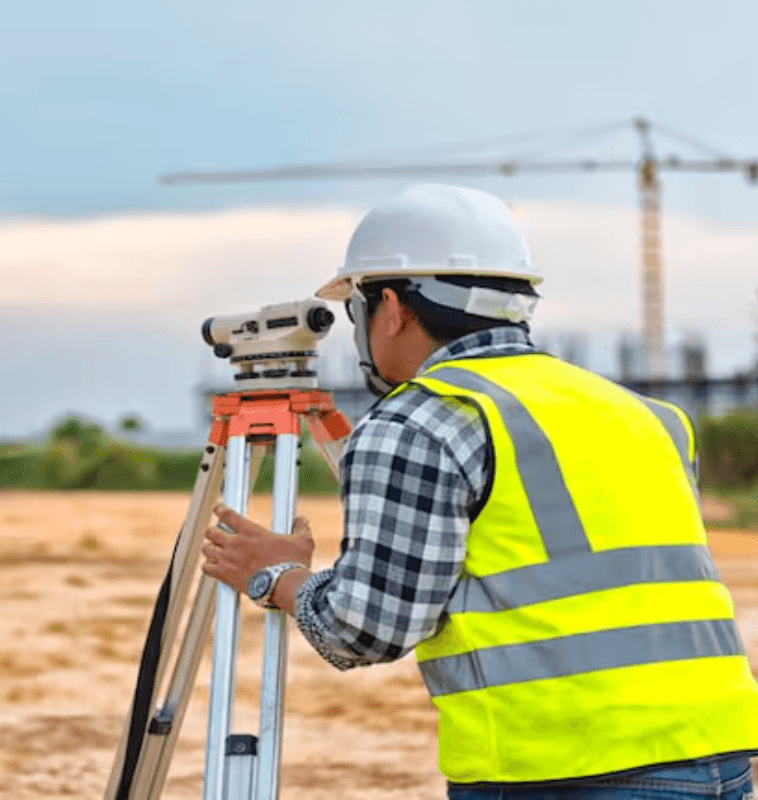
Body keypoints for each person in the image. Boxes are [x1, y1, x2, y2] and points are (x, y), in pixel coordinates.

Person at [201, 183, 758, 799]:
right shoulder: (646, 415)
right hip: (716, 756)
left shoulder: (418, 420)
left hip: (562, 772)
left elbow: (363, 629)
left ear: (390, 307)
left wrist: (275, 575)